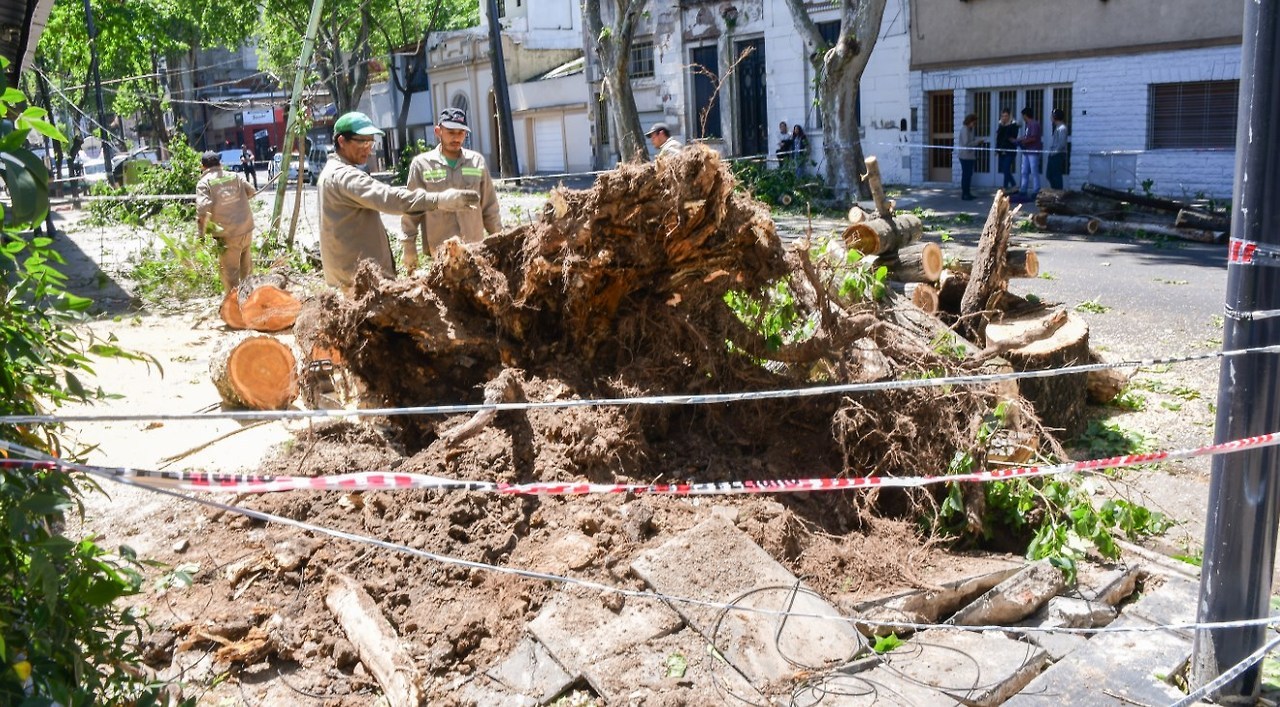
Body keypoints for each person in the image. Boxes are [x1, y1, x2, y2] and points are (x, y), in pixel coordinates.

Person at [317, 111, 480, 293]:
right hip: (356, 286)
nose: (368, 148)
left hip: (352, 281)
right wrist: (439, 199)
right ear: (341, 141)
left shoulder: (332, 173)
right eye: (362, 142)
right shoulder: (344, 176)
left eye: (371, 142)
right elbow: (391, 199)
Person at [400, 107, 502, 272]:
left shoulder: (476, 162)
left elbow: (490, 207)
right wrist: (408, 246)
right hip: (441, 254)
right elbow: (412, 208)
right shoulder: (422, 165)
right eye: (451, 132)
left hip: (473, 250)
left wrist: (499, 240)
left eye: (461, 133)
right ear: (438, 131)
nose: (456, 137)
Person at [195, 150, 256, 293]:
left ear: (202, 166)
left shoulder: (204, 183)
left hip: (228, 235)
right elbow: (252, 191)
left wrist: (201, 235)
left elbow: (203, 209)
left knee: (230, 276)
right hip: (246, 229)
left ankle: (235, 310)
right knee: (247, 272)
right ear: (220, 163)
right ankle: (252, 304)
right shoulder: (234, 176)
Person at [1014, 107, 1043, 197]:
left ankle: (1036, 190)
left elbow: (1033, 138)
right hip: (1026, 151)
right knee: (1024, 171)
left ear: (1025, 115)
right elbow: (1027, 136)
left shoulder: (1034, 124)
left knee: (1034, 171)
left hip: (1033, 151)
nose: (1022, 117)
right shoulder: (1028, 124)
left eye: (1023, 115)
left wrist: (1023, 141)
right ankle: (1023, 189)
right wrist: (1019, 139)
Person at [956, 113, 983, 201]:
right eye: (973, 122)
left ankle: (968, 193)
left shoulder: (970, 129)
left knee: (968, 175)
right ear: (969, 121)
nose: (974, 124)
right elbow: (966, 144)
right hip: (965, 156)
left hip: (970, 156)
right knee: (966, 175)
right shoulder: (965, 130)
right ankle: (965, 194)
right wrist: (977, 142)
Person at [995, 109, 1019, 194]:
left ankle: (1008, 187)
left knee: (1006, 169)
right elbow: (999, 137)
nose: (1004, 118)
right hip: (1001, 151)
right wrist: (997, 149)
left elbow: (1010, 136)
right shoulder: (1001, 125)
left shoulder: (1013, 125)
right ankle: (1011, 186)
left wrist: (1008, 125)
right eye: (1002, 116)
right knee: (1005, 170)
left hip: (1010, 151)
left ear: (1009, 116)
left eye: (1006, 116)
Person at [1046, 108, 1069, 190]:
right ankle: (1054, 190)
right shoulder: (1057, 127)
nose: (1050, 117)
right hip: (1053, 154)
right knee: (1049, 175)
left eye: (1052, 115)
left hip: (1058, 155)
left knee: (1056, 175)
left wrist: (1054, 152)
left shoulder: (1062, 128)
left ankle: (1058, 192)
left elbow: (1061, 144)